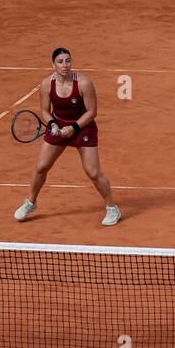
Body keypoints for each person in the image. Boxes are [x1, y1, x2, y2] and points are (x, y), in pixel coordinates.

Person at [14, 47, 121, 226]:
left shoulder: (84, 83)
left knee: (93, 172)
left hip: (83, 127)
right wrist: (53, 124)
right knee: (41, 166)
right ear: (53, 64)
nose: (65, 65)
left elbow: (92, 112)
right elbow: (45, 111)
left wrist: (74, 127)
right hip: (58, 126)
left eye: (68, 61)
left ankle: (112, 208)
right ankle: (31, 203)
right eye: (60, 62)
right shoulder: (47, 84)